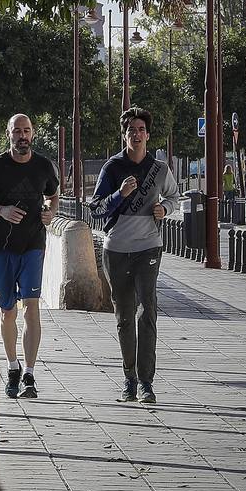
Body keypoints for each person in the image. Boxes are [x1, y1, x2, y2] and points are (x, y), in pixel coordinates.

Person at [91, 107, 181, 404]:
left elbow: (173, 197)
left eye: (141, 129)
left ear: (148, 134)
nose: (137, 134)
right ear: (125, 134)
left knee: (148, 312)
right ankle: (128, 378)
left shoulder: (160, 168)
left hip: (148, 248)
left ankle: (146, 383)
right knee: (124, 317)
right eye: (131, 130)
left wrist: (164, 209)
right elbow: (97, 208)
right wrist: (120, 195)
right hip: (116, 250)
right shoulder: (112, 167)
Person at [0, 114, 60, 399]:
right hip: (0, 248)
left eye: (27, 130)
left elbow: (54, 194)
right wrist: (1, 211)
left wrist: (51, 212)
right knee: (8, 310)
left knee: (31, 307)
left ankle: (30, 374)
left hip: (33, 244)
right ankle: (12, 366)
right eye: (17, 131)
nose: (23, 136)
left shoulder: (43, 166)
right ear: (9, 134)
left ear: (32, 134)